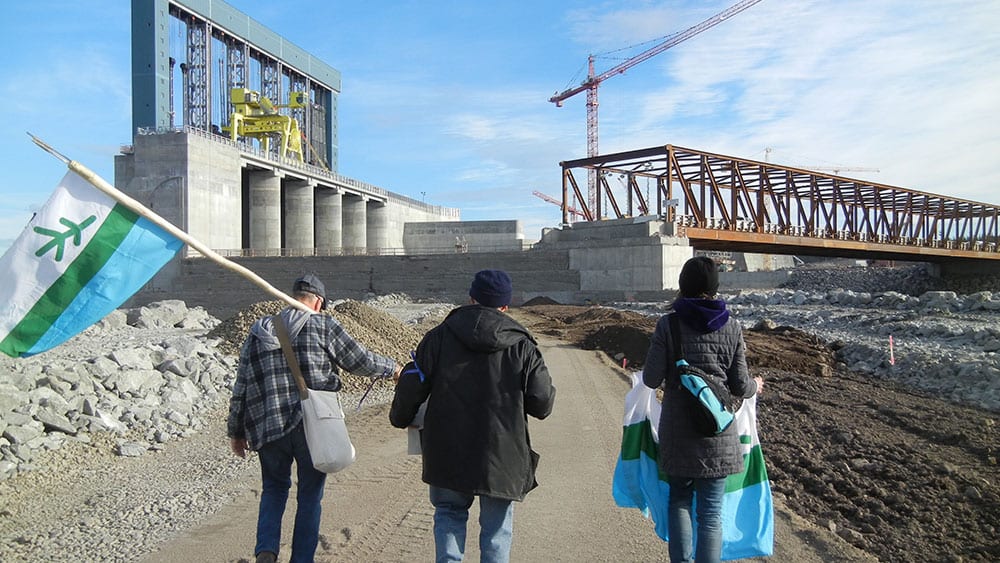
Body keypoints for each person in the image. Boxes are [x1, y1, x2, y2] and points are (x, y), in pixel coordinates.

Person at [227, 274, 400, 563]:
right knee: (309, 497)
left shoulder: (259, 330)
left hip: (268, 426)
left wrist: (236, 431)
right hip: (313, 427)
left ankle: (266, 552)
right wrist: (393, 369)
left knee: (273, 489)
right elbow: (360, 360)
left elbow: (242, 384)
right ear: (318, 302)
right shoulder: (323, 325)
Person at [389, 269, 556, 563]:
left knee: (449, 515)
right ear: (505, 305)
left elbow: (412, 383)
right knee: (496, 531)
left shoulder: (439, 336)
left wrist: (400, 417)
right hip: (502, 456)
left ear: (471, 297)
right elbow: (541, 403)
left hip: (447, 451)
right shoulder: (523, 345)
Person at [642, 256, 763, 563]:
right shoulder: (732, 326)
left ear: (683, 284)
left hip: (678, 432)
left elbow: (651, 378)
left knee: (679, 500)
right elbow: (739, 386)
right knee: (711, 513)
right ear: (714, 287)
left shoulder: (668, 325)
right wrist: (756, 387)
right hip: (718, 433)